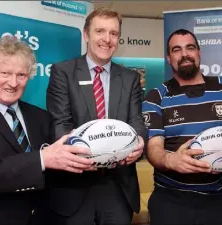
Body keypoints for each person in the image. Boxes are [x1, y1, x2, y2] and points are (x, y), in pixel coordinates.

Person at [0, 36, 96, 225]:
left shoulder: (41, 117)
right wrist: (41, 159)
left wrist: (84, 159)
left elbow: (54, 171)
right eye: (5, 73)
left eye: (21, 75)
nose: (13, 83)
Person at [43, 7, 146, 225]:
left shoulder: (130, 79)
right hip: (74, 187)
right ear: (86, 35)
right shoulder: (63, 72)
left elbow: (137, 122)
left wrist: (139, 142)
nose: (107, 39)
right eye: (100, 31)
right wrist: (85, 157)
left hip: (118, 187)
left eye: (114, 33)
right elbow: (60, 124)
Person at [142, 28, 222, 225]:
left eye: (190, 47)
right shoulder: (156, 96)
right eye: (177, 49)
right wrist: (171, 160)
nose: (184, 54)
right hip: (170, 202)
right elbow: (153, 148)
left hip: (218, 201)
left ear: (199, 52)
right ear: (169, 58)